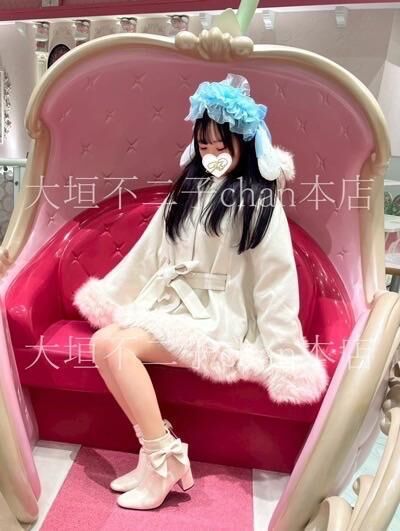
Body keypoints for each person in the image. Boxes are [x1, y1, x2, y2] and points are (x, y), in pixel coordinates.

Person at [73, 73, 329, 510]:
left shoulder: (261, 204)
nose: (211, 156)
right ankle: (157, 454)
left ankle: (163, 460)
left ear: (244, 145)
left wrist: (285, 355)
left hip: (220, 320)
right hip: (172, 308)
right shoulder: (185, 194)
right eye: (204, 146)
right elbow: (146, 254)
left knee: (116, 347)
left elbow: (275, 285)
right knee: (103, 343)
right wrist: (111, 297)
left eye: (221, 147)